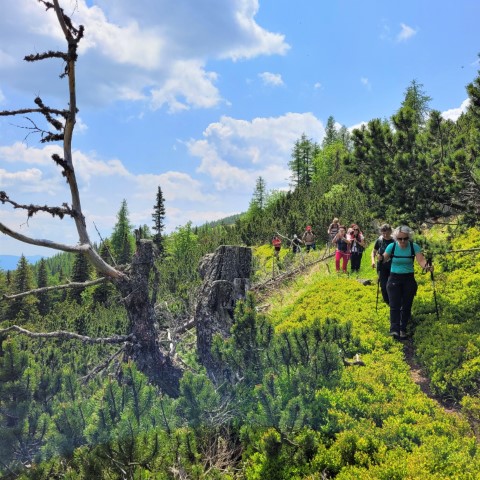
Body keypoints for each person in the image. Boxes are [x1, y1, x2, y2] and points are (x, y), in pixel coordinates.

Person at [379, 225, 433, 339]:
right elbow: (385, 257)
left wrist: (427, 267)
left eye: (405, 238)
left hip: (408, 279)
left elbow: (421, 260)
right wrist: (380, 258)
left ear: (409, 237)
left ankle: (403, 329)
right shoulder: (391, 246)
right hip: (394, 278)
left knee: (406, 306)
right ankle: (394, 330)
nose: (403, 241)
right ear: (395, 238)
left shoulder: (414, 247)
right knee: (394, 305)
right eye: (400, 238)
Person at [371, 224, 394, 304]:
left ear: (390, 232)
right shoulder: (380, 240)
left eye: (387, 233)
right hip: (381, 265)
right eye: (383, 233)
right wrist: (373, 261)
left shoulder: (394, 241)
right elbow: (374, 251)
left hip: (392, 265)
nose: (385, 235)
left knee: (391, 284)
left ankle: (393, 300)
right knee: (383, 285)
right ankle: (386, 301)